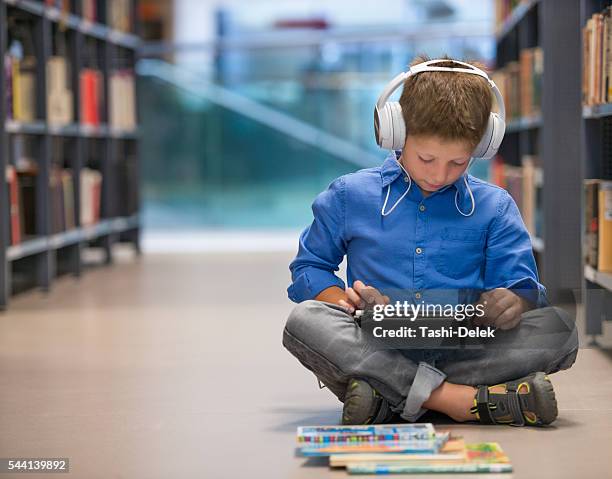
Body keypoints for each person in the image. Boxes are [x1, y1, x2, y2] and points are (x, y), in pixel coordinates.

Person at [282, 56, 578, 427]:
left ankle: (387, 396)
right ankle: (459, 399)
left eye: (458, 162)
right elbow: (309, 268)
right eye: (426, 158)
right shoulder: (350, 195)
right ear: (397, 132)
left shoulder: (495, 206)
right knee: (304, 320)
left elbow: (523, 290)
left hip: (465, 347)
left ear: (481, 146)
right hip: (378, 339)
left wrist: (513, 301)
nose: (440, 174)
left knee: (560, 329)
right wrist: (349, 303)